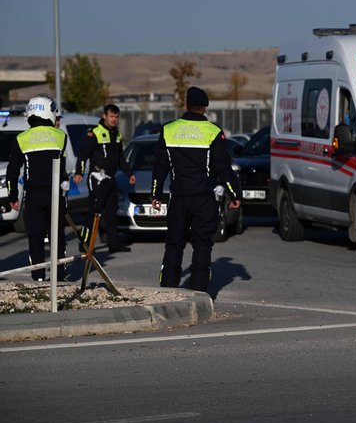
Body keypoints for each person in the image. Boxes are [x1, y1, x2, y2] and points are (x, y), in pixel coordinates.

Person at [151, 86, 242, 294]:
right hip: (204, 198)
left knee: (174, 244)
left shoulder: (168, 130)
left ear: (186, 105)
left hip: (178, 198)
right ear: (205, 108)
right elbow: (223, 167)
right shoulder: (213, 132)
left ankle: (168, 290)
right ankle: (199, 292)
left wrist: (155, 194)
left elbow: (160, 166)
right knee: (202, 244)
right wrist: (234, 194)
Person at [6, 94, 69, 281]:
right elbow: (62, 168)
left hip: (33, 195)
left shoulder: (21, 138)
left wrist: (13, 195)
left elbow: (12, 170)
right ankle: (59, 275)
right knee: (57, 235)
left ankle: (38, 276)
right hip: (55, 194)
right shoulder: (61, 136)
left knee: (35, 235)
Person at [74, 104, 136, 253]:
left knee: (112, 211)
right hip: (97, 178)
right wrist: (79, 172)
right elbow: (83, 155)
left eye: (116, 117)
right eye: (111, 116)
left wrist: (129, 173)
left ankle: (114, 243)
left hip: (110, 178)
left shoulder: (117, 134)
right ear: (104, 116)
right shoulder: (94, 133)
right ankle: (85, 243)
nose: (114, 119)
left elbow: (120, 158)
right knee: (94, 211)